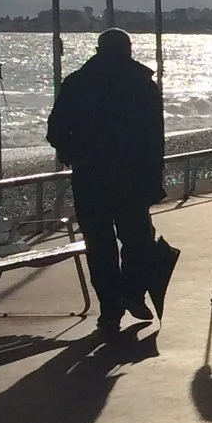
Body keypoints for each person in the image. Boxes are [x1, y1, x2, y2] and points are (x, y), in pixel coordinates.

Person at [47, 29, 174, 333]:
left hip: (90, 176)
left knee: (100, 244)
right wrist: (153, 179)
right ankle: (132, 292)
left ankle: (110, 309)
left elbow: (55, 130)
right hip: (132, 177)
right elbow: (154, 138)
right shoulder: (142, 84)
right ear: (128, 50)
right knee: (137, 239)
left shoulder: (77, 83)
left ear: (98, 50)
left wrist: (73, 154)